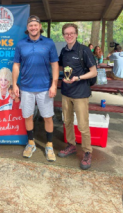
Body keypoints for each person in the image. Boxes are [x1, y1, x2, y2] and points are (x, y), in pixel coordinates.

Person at [12, 15, 59, 162]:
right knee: (28, 116)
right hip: (26, 88)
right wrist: (14, 84)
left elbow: (55, 65)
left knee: (47, 117)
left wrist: (54, 84)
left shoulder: (49, 43)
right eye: (30, 25)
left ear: (40, 27)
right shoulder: (21, 44)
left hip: (45, 87)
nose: (33, 27)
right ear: (27, 28)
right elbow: (16, 65)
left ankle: (49, 145)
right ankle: (31, 143)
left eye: (35, 25)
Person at [58, 23, 97, 170]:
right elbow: (61, 66)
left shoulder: (84, 50)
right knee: (67, 121)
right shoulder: (63, 51)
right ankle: (71, 145)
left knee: (82, 125)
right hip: (66, 92)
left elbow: (93, 72)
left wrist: (78, 78)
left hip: (80, 93)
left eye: (71, 33)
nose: (69, 36)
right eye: (66, 33)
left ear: (76, 34)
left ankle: (87, 151)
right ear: (63, 35)